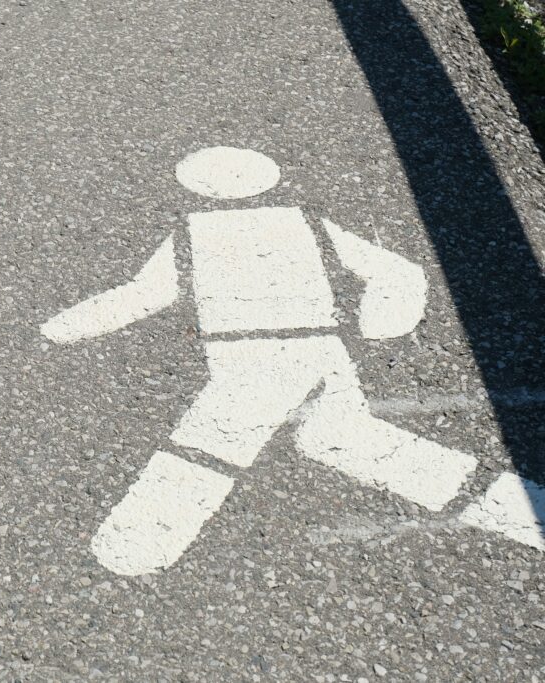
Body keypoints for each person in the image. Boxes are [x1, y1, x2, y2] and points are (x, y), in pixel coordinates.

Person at [42, 146, 478, 576]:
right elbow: (393, 270)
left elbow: (145, 293)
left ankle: (135, 542)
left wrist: (67, 326)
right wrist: (381, 323)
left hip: (245, 352)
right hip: (322, 346)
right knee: (336, 435)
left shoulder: (196, 231)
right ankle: (494, 499)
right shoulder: (305, 222)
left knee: (210, 441)